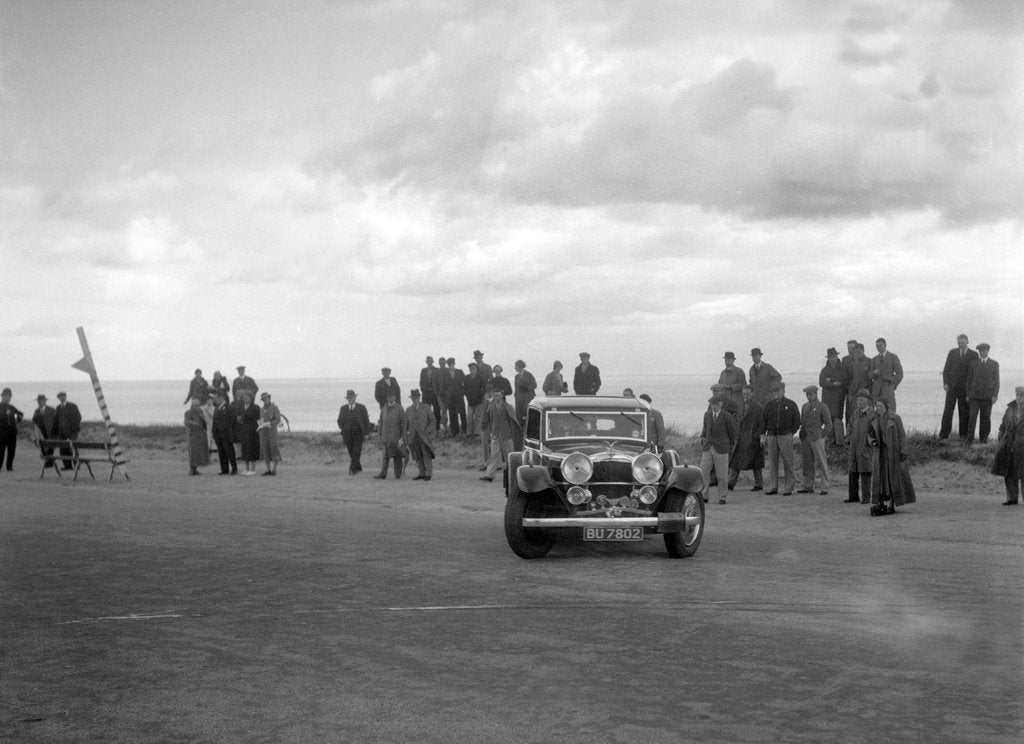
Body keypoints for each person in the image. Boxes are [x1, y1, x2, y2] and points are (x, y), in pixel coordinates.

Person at [867, 398, 916, 516]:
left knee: (893, 479)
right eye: (877, 406)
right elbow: (869, 435)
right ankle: (881, 502)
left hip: (893, 453)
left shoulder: (896, 418)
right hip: (880, 454)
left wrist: (904, 452)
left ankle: (892, 504)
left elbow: (902, 436)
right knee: (881, 479)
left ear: (886, 407)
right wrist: (872, 441)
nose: (879, 408)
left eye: (881, 406)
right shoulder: (875, 419)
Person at [760, 382, 799, 495]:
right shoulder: (769, 405)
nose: (776, 393)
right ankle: (773, 486)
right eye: (774, 391)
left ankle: (789, 487)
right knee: (772, 462)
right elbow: (764, 421)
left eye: (779, 391)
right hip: (771, 436)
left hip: (785, 436)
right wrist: (763, 434)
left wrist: (791, 433)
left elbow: (797, 421)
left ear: (783, 390)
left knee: (788, 462)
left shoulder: (791, 404)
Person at [939, 334, 979, 441]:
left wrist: (971, 390)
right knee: (948, 411)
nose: (960, 344)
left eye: (962, 342)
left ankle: (963, 435)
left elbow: (976, 374)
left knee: (964, 412)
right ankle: (943, 435)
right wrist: (946, 383)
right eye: (959, 342)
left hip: (965, 389)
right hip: (952, 388)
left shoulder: (974, 354)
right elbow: (946, 369)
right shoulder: (952, 352)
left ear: (967, 342)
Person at [700, 396, 737, 505]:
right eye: (712, 404)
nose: (714, 406)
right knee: (704, 472)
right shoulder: (707, 415)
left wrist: (729, 446)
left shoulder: (727, 416)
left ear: (721, 404)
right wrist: (702, 437)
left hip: (722, 448)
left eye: (716, 404)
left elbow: (732, 433)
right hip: (707, 447)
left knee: (722, 475)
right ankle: (704, 496)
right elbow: (705, 429)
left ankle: (722, 497)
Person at [479, 390, 521, 482]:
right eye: (495, 396)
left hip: (507, 435)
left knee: (510, 456)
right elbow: (489, 419)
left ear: (502, 396)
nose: (497, 397)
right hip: (495, 435)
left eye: (498, 396)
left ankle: (514, 475)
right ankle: (489, 475)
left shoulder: (508, 407)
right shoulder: (491, 407)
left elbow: (513, 421)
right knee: (493, 456)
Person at [727, 385, 764, 492]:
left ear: (752, 393)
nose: (746, 396)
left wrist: (757, 435)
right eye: (744, 394)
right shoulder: (740, 405)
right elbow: (737, 421)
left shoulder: (758, 407)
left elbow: (761, 423)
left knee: (756, 463)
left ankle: (759, 484)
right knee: (735, 462)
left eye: (747, 394)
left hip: (753, 438)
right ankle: (730, 483)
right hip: (741, 438)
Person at [797, 385, 832, 495]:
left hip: (817, 438)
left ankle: (825, 486)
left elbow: (828, 424)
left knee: (821, 462)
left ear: (816, 394)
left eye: (810, 394)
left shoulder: (822, 406)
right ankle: (808, 486)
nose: (808, 396)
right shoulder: (804, 406)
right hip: (805, 438)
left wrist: (822, 434)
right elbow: (802, 421)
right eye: (807, 394)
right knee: (807, 462)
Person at [992, 387, 1024, 505]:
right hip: (1009, 445)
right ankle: (1012, 498)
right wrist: (1001, 441)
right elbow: (1002, 426)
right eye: (1018, 396)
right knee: (1009, 473)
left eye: (1022, 396)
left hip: (1023, 447)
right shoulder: (1010, 410)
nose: (1020, 399)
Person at [845, 389, 876, 503]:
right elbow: (849, 426)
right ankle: (853, 497)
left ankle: (866, 498)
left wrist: (870, 441)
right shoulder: (855, 413)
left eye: (862, 400)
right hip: (854, 447)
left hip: (865, 447)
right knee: (853, 472)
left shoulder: (873, 414)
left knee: (865, 471)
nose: (859, 402)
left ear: (868, 400)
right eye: (858, 400)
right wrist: (849, 439)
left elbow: (876, 430)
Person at [966, 343, 1000, 445]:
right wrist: (968, 394)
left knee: (985, 418)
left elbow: (997, 382)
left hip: (987, 396)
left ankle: (983, 439)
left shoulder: (994, 364)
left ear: (987, 351)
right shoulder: (973, 363)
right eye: (980, 350)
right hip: (974, 396)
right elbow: (968, 380)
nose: (981, 352)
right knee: (972, 418)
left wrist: (995, 395)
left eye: (984, 350)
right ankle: (969, 440)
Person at [337, 389, 371, 475]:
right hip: (347, 434)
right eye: (349, 398)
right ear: (347, 399)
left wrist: (366, 433)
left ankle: (352, 469)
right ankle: (358, 467)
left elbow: (366, 421)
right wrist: (343, 429)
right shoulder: (343, 408)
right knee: (351, 451)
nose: (351, 399)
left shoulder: (362, 407)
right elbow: (339, 421)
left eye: (352, 397)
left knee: (356, 451)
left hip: (358, 433)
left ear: (355, 398)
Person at [405, 389, 436, 481]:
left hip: (424, 436)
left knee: (426, 454)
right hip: (413, 436)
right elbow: (406, 424)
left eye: (416, 397)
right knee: (417, 455)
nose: (415, 399)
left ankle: (428, 473)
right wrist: (406, 435)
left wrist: (428, 430)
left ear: (419, 397)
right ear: (411, 399)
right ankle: (421, 473)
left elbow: (433, 420)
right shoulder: (408, 410)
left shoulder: (426, 407)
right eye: (413, 398)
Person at [375, 391, 406, 479]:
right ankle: (383, 474)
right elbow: (381, 422)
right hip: (385, 436)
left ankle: (398, 474)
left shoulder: (399, 408)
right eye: (388, 397)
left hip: (396, 436)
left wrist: (403, 436)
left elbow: (403, 423)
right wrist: (380, 434)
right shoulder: (384, 408)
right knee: (385, 456)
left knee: (397, 456)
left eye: (391, 397)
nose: (390, 398)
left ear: (395, 397)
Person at [819, 348, 847, 446]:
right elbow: (821, 382)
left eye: (834, 357)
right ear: (828, 358)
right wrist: (832, 384)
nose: (833, 359)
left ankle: (839, 441)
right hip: (827, 398)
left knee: (838, 418)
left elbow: (844, 380)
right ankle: (830, 440)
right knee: (827, 418)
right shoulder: (824, 370)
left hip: (838, 397)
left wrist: (833, 383)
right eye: (831, 357)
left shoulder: (842, 368)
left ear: (837, 356)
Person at [869, 338, 903, 411]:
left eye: (880, 346)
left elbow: (900, 373)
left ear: (885, 345)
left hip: (888, 388)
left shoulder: (893, 357)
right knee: (877, 412)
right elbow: (869, 375)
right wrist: (874, 373)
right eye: (877, 346)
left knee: (890, 410)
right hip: (876, 390)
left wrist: (893, 385)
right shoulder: (874, 359)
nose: (878, 348)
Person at [210, 389, 238, 475]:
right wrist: (213, 433)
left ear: (221, 398)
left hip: (226, 434)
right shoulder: (216, 409)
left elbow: (232, 421)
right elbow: (214, 422)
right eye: (213, 398)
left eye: (216, 398)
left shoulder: (228, 407)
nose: (214, 400)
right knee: (221, 452)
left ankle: (234, 469)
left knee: (229, 451)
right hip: (218, 435)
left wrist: (229, 431)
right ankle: (224, 469)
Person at [844, 343, 873, 424]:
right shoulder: (852, 364)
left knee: (865, 415)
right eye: (856, 352)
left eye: (859, 351)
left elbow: (871, 377)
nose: (857, 353)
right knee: (851, 415)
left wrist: (868, 391)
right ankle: (851, 435)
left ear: (864, 351)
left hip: (865, 393)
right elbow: (849, 378)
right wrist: (849, 391)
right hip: (853, 394)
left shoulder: (870, 361)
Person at [54, 391, 83, 470]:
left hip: (72, 432)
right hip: (62, 433)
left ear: (65, 396)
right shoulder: (58, 408)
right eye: (60, 397)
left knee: (73, 448)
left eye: (63, 396)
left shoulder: (72, 406)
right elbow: (56, 421)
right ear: (58, 398)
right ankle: (67, 465)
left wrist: (73, 430)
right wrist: (56, 432)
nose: (61, 398)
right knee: (63, 449)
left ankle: (76, 465)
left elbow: (78, 417)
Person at [235, 389, 261, 475]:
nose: (245, 399)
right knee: (245, 449)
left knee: (252, 449)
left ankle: (252, 469)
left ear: (251, 398)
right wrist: (239, 419)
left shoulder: (256, 407)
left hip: (252, 431)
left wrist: (244, 416)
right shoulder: (241, 407)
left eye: (247, 397)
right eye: (244, 397)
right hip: (244, 430)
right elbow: (238, 416)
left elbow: (256, 417)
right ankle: (246, 468)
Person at [257, 392, 283, 476]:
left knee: (274, 449)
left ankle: (274, 469)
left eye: (267, 398)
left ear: (269, 398)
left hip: (272, 431)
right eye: (264, 399)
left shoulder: (274, 408)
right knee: (265, 449)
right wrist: (260, 423)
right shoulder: (261, 409)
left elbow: (278, 419)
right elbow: (260, 419)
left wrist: (269, 423)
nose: (266, 400)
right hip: (264, 432)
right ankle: (267, 469)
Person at [0, 388, 25, 472]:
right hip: (1, 433)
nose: (7, 398)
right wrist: (4, 415)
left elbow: (21, 414)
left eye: (9, 396)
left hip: (12, 433)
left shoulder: (11, 407)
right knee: (1, 451)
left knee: (11, 451)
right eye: (6, 396)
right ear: (2, 396)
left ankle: (9, 467)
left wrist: (17, 419)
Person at [184, 398, 210, 476]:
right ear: (192, 405)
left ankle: (195, 469)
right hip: (193, 435)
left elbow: (204, 422)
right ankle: (191, 469)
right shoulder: (188, 412)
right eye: (195, 405)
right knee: (193, 453)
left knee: (199, 453)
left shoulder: (200, 411)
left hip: (201, 435)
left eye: (198, 405)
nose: (197, 406)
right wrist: (193, 423)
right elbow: (186, 422)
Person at [31, 394, 57, 470]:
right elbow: (34, 421)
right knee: (43, 448)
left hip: (50, 432)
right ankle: (47, 462)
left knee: (50, 448)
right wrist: (35, 431)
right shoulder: (37, 411)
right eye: (39, 401)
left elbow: (56, 420)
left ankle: (49, 463)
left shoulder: (51, 409)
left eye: (41, 401)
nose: (40, 402)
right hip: (40, 433)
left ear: (45, 401)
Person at [443, 357, 467, 436]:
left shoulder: (460, 371)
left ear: (454, 363)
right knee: (452, 413)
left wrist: (463, 392)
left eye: (452, 363)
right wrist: (447, 393)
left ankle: (465, 429)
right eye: (449, 363)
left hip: (459, 395)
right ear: (447, 364)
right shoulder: (445, 373)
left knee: (462, 412)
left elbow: (465, 383)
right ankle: (454, 431)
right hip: (450, 397)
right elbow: (444, 385)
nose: (451, 364)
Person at [464, 362, 487, 438]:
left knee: (478, 416)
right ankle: (469, 432)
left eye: (473, 368)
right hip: (470, 400)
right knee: (469, 416)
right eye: (470, 369)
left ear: (476, 369)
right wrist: (467, 397)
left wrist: (480, 396)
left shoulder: (481, 377)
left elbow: (484, 388)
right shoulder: (466, 377)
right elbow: (464, 389)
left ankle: (477, 432)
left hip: (479, 400)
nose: (472, 370)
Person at [419, 356, 441, 430]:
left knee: (436, 411)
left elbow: (439, 381)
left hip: (434, 393)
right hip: (426, 394)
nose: (429, 362)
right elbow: (421, 382)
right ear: (426, 362)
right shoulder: (423, 370)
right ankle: (427, 428)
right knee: (425, 411)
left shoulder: (437, 370)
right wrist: (423, 390)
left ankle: (437, 428)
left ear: (433, 361)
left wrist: (437, 391)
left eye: (430, 361)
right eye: (427, 361)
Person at [513, 360, 537, 426]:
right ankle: (520, 432)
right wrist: (516, 396)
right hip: (519, 399)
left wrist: (527, 388)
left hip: (527, 398)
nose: (515, 368)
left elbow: (534, 385)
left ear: (520, 366)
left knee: (528, 414)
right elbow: (516, 388)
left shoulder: (529, 374)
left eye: (516, 366)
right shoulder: (516, 376)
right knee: (519, 416)